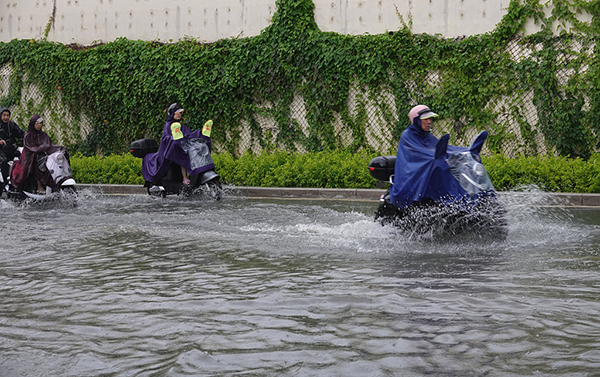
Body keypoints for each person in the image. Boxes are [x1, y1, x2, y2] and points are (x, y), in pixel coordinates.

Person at [388, 105, 465, 209]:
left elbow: (445, 149)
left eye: (430, 119)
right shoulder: (408, 136)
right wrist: (439, 158)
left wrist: (464, 152)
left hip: (423, 174)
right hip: (410, 177)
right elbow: (422, 155)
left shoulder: (427, 136)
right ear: (416, 120)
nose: (429, 122)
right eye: (425, 119)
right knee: (438, 163)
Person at [142, 103, 215, 186]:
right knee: (181, 154)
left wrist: (199, 136)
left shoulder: (180, 125)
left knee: (194, 149)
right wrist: (175, 140)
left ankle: (203, 133)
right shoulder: (169, 125)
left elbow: (188, 135)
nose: (180, 114)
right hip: (168, 153)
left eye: (180, 113)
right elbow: (166, 138)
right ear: (173, 113)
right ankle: (184, 178)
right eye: (178, 112)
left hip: (182, 146)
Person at [12, 115, 68, 193]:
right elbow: (30, 148)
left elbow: (50, 145)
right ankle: (39, 185)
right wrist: (42, 149)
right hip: (29, 157)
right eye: (37, 123)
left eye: (41, 123)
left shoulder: (43, 134)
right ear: (33, 124)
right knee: (36, 161)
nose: (39, 125)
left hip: (42, 155)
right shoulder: (28, 135)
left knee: (52, 160)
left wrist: (60, 149)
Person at [0, 107, 25, 182]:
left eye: (7, 115)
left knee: (23, 158)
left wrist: (28, 137)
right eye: (4, 115)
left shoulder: (11, 125)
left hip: (11, 148)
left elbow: (21, 133)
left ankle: (20, 181)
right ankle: (5, 182)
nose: (6, 117)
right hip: (1, 150)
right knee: (3, 162)